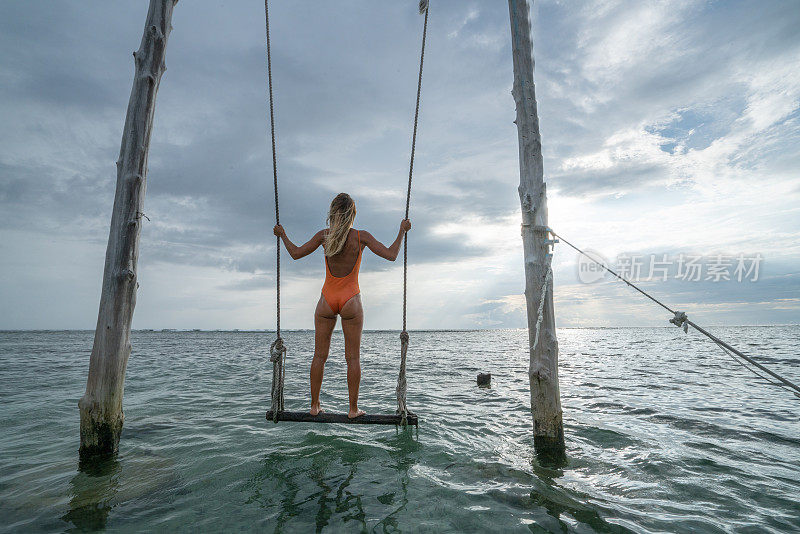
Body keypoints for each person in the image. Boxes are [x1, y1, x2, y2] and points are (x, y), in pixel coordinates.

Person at [273, 192, 411, 419]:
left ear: (332, 213)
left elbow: (295, 253)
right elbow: (392, 254)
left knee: (319, 356)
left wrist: (282, 234)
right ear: (352, 214)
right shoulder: (360, 236)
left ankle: (315, 405)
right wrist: (401, 231)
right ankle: (353, 409)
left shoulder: (323, 236)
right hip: (351, 301)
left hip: (326, 300)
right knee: (353, 358)